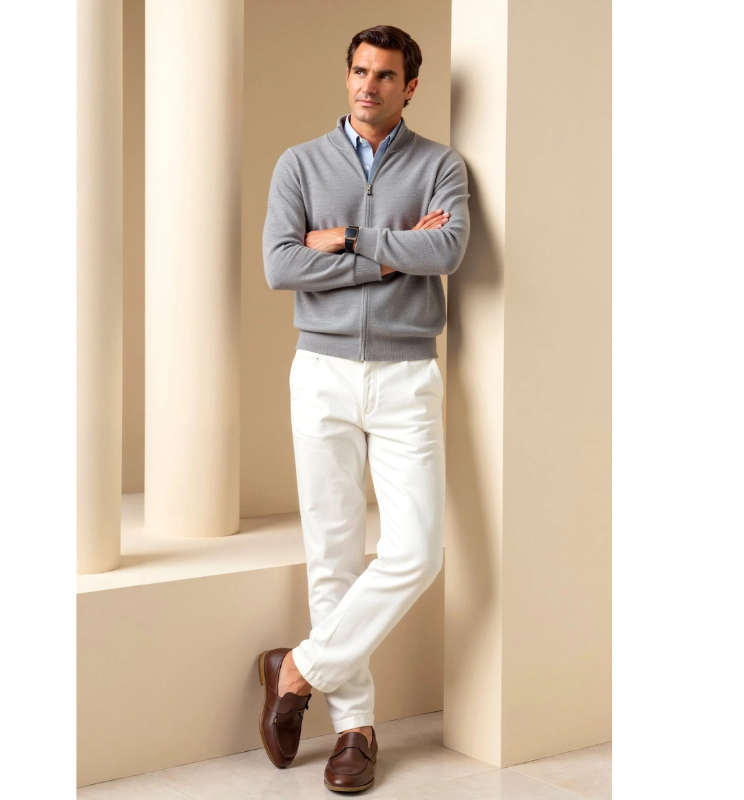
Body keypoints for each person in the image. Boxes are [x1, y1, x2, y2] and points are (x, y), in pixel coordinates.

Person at [258, 24, 470, 793]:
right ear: (346, 74)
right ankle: (355, 729)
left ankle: (295, 670)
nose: (367, 87)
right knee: (334, 552)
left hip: (407, 373)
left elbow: (447, 250)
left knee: (418, 551)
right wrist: (384, 254)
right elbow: (281, 263)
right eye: (359, 71)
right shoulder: (299, 163)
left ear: (410, 86)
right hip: (322, 371)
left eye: (384, 76)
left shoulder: (440, 166)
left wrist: (344, 239)